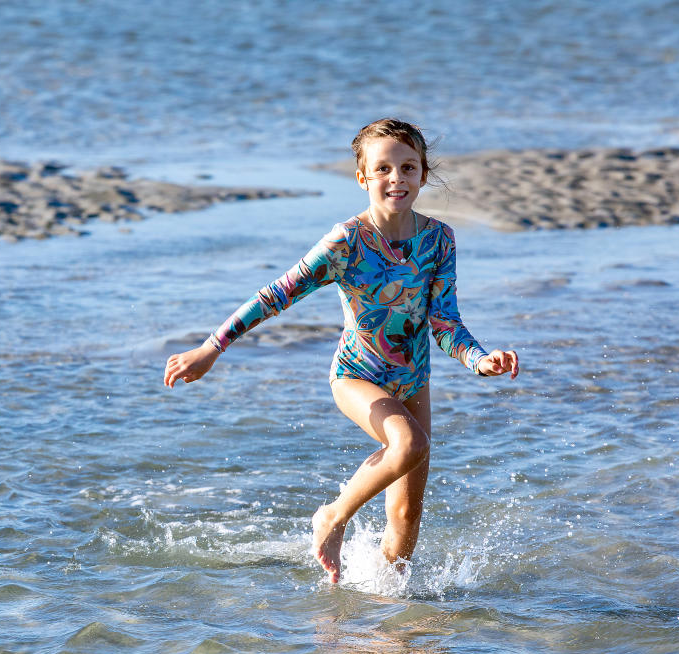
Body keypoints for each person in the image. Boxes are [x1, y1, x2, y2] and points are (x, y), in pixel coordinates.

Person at [163, 118, 519, 584]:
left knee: (408, 515)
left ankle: (390, 619)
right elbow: (276, 294)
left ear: (423, 175)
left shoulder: (439, 241)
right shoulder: (346, 242)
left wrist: (479, 359)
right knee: (409, 443)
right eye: (384, 168)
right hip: (356, 375)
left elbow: (445, 322)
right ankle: (332, 517)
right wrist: (212, 347)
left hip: (414, 380)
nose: (397, 178)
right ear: (363, 177)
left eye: (408, 167)